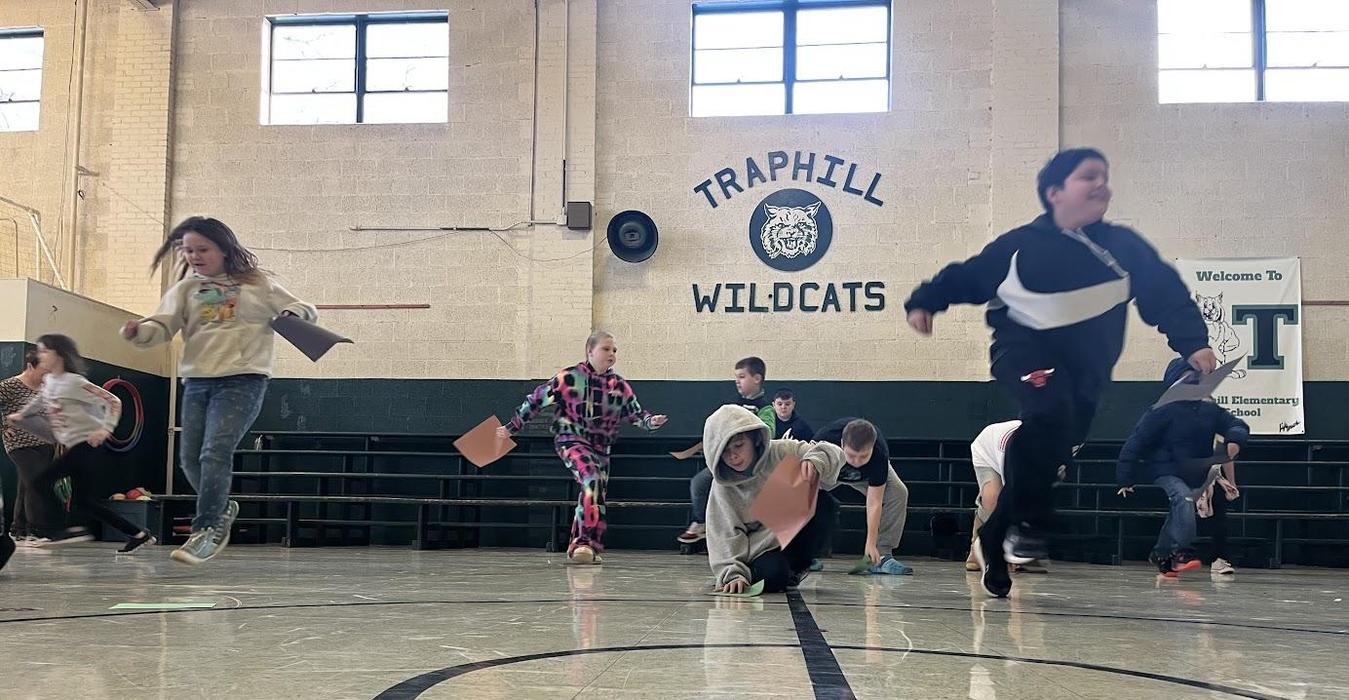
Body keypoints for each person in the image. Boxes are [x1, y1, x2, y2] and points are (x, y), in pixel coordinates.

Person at [904, 148, 1215, 597]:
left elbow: (1165, 293)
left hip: (1086, 372)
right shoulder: (1022, 245)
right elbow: (969, 275)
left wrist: (1193, 341)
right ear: (1054, 192)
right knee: (1048, 413)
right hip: (1024, 351)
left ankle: (995, 536)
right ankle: (1030, 522)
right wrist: (925, 300)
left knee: (1053, 447)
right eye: (1088, 176)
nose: (1100, 184)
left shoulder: (1125, 247)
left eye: (1105, 176)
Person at [122, 216, 317, 565]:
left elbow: (305, 308)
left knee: (215, 451)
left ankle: (207, 528)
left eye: (202, 249)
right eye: (188, 251)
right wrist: (139, 331)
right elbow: (161, 326)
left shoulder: (256, 284)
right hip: (197, 381)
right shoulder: (185, 291)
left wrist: (292, 312)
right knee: (189, 458)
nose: (194, 256)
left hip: (243, 379)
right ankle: (223, 506)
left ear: (223, 249)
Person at [499, 331, 667, 564]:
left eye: (614, 350)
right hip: (571, 439)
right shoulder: (569, 378)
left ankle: (590, 547)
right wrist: (511, 427)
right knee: (591, 479)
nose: (612, 354)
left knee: (596, 493)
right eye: (606, 349)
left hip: (602, 447)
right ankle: (583, 543)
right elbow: (536, 400)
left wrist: (652, 422)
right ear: (590, 351)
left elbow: (637, 414)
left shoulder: (619, 385)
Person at [6, 335, 155, 552]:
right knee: (85, 502)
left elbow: (114, 400)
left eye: (44, 351)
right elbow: (40, 400)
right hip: (74, 445)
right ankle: (138, 534)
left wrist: (105, 429)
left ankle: (59, 530)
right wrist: (21, 414)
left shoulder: (75, 382)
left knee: (40, 483)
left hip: (87, 444)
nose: (40, 356)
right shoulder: (50, 382)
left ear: (58, 354)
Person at [1116, 356, 1248, 577]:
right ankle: (1181, 552)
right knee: (1183, 498)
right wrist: (1124, 477)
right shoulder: (1160, 411)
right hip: (1165, 469)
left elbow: (1235, 424)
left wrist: (1235, 438)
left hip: (1195, 472)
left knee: (1179, 509)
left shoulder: (1209, 410)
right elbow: (1137, 440)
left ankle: (1160, 553)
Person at [703, 404, 844, 594]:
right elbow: (723, 534)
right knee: (773, 578)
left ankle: (796, 568)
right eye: (724, 452)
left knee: (825, 503)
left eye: (738, 446)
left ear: (754, 439)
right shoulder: (722, 486)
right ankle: (774, 571)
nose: (733, 456)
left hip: (789, 532)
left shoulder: (781, 451)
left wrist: (815, 460)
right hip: (757, 548)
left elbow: (832, 451)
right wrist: (733, 574)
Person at [677, 356, 776, 546]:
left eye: (742, 376)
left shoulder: (765, 408)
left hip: (751, 466)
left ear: (757, 378)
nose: (737, 381)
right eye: (736, 377)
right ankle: (701, 522)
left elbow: (768, 432)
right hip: (728, 462)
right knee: (699, 483)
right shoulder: (732, 406)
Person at [813, 417, 912, 574]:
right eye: (851, 456)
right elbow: (805, 487)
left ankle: (881, 556)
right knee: (803, 492)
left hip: (865, 478)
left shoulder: (879, 453)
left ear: (872, 447)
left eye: (863, 457)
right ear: (842, 444)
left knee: (898, 492)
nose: (856, 462)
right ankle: (805, 553)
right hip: (831, 470)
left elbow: (874, 502)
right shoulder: (823, 442)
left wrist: (871, 544)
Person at [0, 348, 62, 545]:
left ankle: (18, 529)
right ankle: (36, 531)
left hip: (45, 444)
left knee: (26, 486)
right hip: (20, 444)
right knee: (37, 481)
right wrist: (2, 426)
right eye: (44, 370)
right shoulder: (9, 386)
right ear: (30, 366)